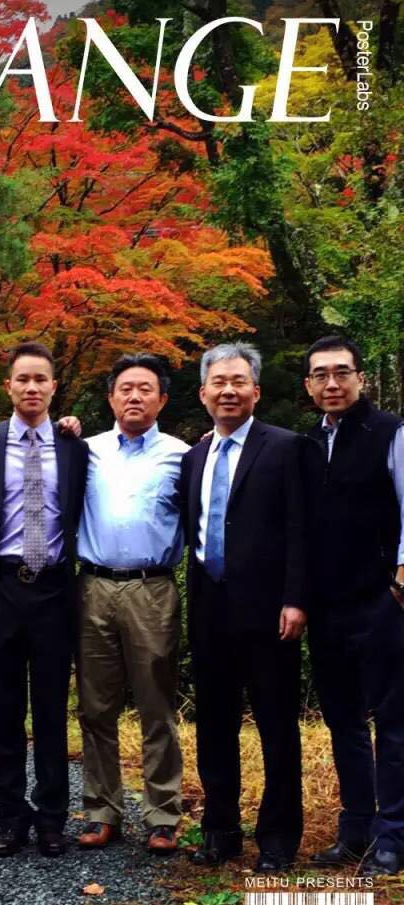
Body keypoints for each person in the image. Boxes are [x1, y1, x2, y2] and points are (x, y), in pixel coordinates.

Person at [180, 342, 307, 873]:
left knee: (277, 725)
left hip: (270, 610)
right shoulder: (194, 456)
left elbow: (301, 528)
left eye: (238, 381)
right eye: (219, 382)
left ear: (256, 390)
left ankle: (278, 839)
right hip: (210, 605)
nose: (228, 390)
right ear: (203, 393)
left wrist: (296, 598)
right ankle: (220, 831)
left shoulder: (286, 447)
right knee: (214, 723)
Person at [0, 342, 88, 857]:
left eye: (41, 379)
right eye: (23, 379)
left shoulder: (75, 446)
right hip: (1, 587)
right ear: (8, 386)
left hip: (54, 588)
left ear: (54, 387)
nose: (32, 387)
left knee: (52, 708)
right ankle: (11, 816)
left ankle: (52, 817)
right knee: (2, 707)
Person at [77, 353, 188, 854]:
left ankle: (162, 813)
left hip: (152, 588)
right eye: (125, 388)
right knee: (95, 706)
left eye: (146, 389)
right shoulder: (86, 451)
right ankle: (101, 811)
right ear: (110, 398)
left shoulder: (183, 455)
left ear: (162, 399)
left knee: (156, 704)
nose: (135, 396)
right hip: (93, 586)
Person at [303, 334, 404, 877]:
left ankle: (393, 835)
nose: (332, 383)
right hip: (326, 605)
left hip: (380, 600)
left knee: (393, 721)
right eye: (321, 374)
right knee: (343, 719)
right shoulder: (308, 443)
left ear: (360, 378)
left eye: (342, 372)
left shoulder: (390, 432)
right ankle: (356, 827)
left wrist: (400, 582)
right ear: (308, 385)